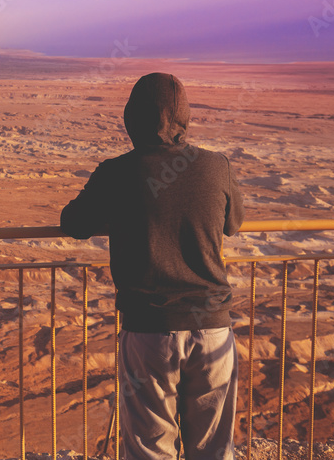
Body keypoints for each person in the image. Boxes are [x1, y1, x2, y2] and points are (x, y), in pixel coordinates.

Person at [60, 72, 244, 460]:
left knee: (149, 449)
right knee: (213, 450)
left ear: (132, 117)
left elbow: (73, 223)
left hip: (151, 330)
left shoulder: (117, 171)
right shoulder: (217, 166)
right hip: (213, 327)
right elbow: (233, 223)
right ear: (185, 118)